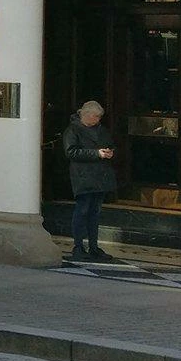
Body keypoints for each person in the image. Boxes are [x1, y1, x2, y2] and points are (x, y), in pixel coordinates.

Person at [64, 99, 117, 261]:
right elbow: (71, 152)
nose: (97, 120)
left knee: (95, 212)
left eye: (99, 117)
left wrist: (110, 152)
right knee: (82, 210)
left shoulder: (102, 130)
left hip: (100, 177)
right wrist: (96, 154)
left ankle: (93, 246)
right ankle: (78, 246)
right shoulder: (73, 130)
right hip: (83, 177)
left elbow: (110, 144)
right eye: (95, 117)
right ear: (85, 115)